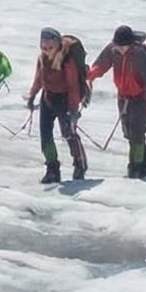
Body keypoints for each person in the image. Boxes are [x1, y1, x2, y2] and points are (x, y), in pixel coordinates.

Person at [89, 25, 146, 179]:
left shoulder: (143, 54)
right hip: (123, 96)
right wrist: (90, 75)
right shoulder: (112, 49)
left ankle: (135, 168)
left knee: (137, 134)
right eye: (118, 46)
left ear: (131, 43)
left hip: (140, 98)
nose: (120, 49)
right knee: (127, 132)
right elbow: (101, 65)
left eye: (123, 46)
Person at [27, 27, 89, 185]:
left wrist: (73, 110)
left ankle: (80, 163)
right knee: (45, 135)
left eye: (50, 47)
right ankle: (52, 168)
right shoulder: (42, 58)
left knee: (68, 133)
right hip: (48, 97)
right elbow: (38, 78)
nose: (47, 51)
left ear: (58, 45)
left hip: (64, 99)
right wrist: (32, 95)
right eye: (44, 47)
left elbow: (73, 86)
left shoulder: (67, 60)